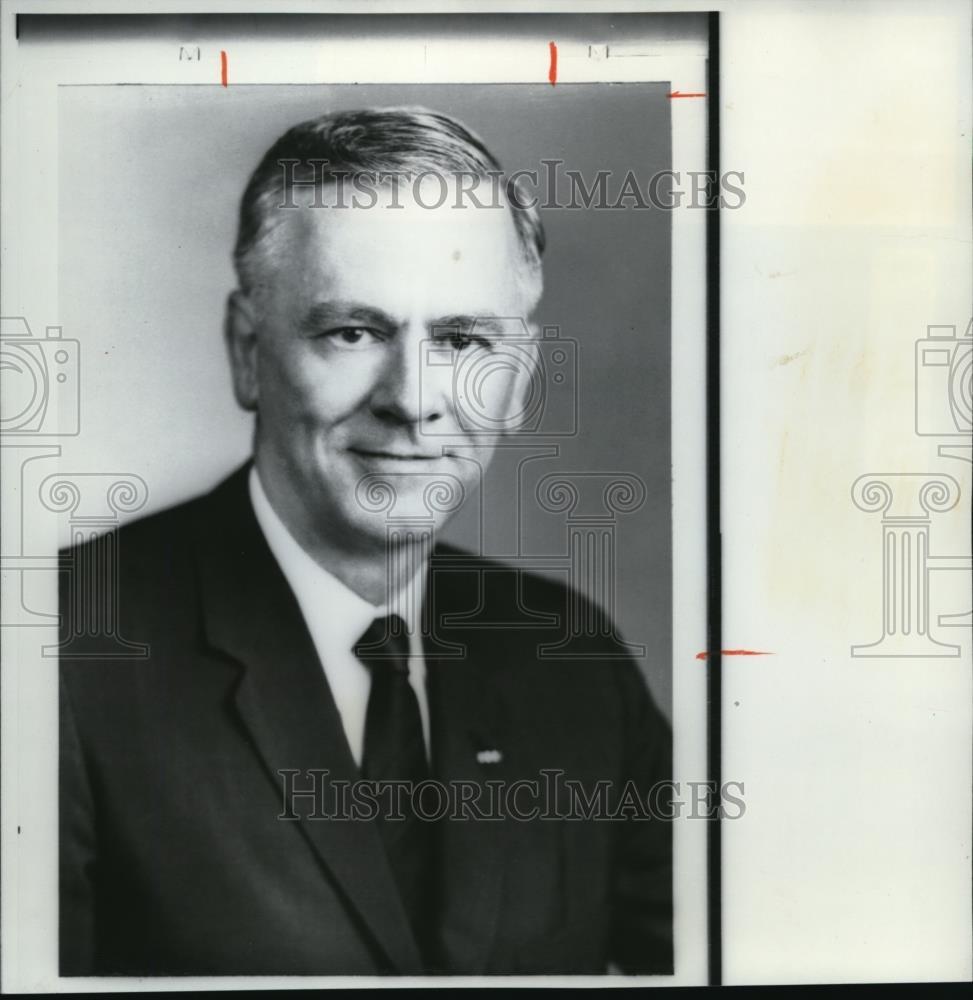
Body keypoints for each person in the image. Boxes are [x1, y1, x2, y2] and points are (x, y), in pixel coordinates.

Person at [59, 108, 672, 976]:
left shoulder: (569, 656)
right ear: (246, 351)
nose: (413, 398)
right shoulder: (59, 658)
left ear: (519, 379)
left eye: (461, 340)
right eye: (353, 332)